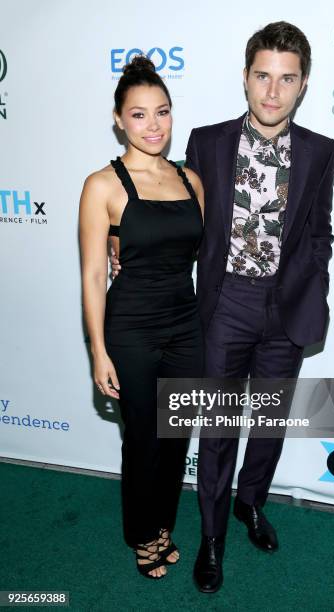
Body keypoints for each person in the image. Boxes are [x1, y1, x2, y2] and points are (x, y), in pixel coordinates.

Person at [111, 21, 334, 593]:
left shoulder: (320, 151)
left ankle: (251, 504)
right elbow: (170, 204)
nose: (272, 91)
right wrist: (120, 237)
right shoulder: (207, 143)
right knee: (216, 429)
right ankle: (212, 537)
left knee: (266, 425)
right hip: (224, 304)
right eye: (262, 75)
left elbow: (319, 231)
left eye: (286, 79)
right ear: (245, 77)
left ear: (302, 84)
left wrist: (313, 282)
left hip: (287, 310)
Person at [79, 55, 204, 580]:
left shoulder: (190, 179)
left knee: (176, 435)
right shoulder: (101, 185)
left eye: (163, 112)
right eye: (139, 115)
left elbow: (195, 252)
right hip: (130, 329)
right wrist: (97, 351)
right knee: (144, 439)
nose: (153, 126)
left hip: (186, 325)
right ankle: (141, 534)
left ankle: (163, 528)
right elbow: (91, 276)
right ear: (118, 118)